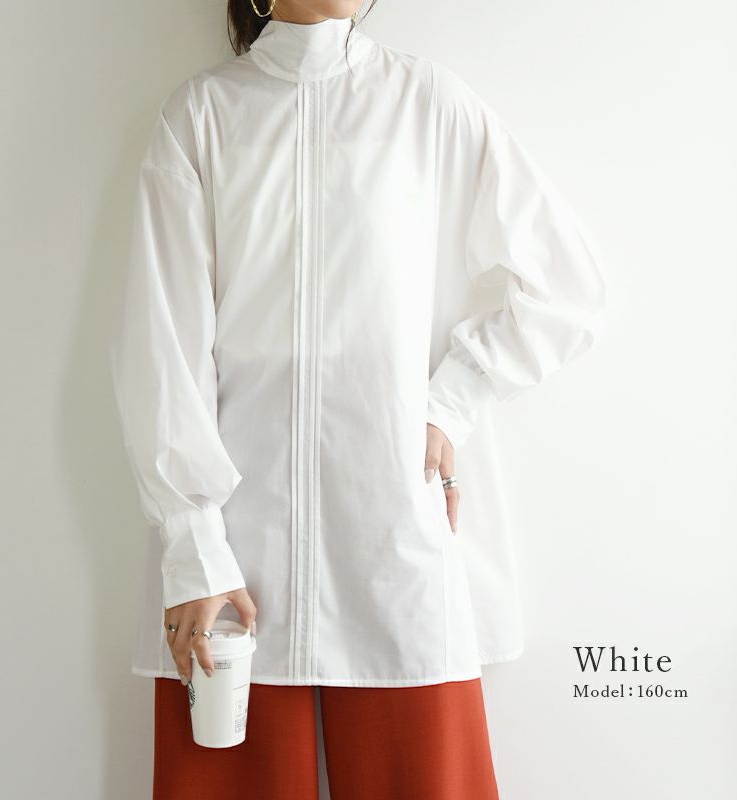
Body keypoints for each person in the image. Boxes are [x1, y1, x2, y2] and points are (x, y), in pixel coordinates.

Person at [109, 0, 606, 797]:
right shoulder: (201, 117)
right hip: (233, 554)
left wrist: (450, 402)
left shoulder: (427, 103)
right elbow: (161, 347)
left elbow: (564, 287)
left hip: (395, 537)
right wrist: (191, 544)